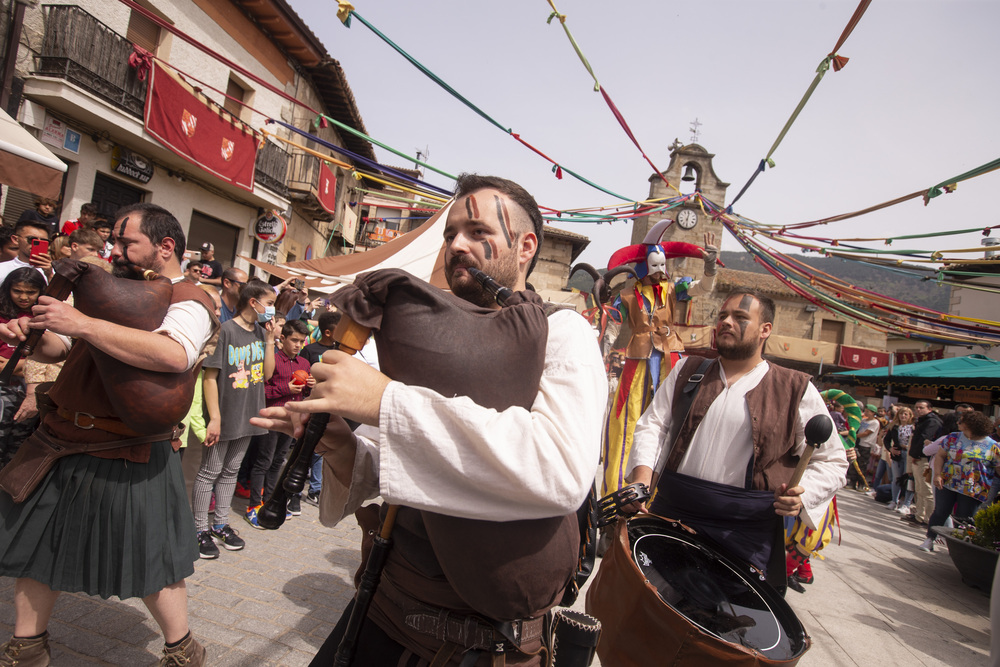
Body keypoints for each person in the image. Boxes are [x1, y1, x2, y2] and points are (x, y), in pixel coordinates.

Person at [252, 174, 606, 666]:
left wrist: (387, 403)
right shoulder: (430, 325)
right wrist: (342, 446)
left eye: (478, 231)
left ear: (525, 247)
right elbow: (402, 467)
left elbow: (560, 470)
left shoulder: (565, 333)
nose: (456, 244)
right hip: (383, 611)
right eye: (449, 233)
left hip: (486, 646)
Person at [0, 202, 218, 666]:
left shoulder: (190, 299)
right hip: (61, 441)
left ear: (165, 247)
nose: (114, 250)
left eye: (127, 242)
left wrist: (81, 322)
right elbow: (65, 349)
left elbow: (173, 355)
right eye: (114, 240)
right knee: (36, 548)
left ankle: (182, 651)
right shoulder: (111, 290)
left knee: (149, 559)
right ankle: (27, 648)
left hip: (128, 449)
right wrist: (40, 334)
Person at [626, 289, 847, 589]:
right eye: (722, 317)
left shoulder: (795, 388)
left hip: (744, 534)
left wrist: (803, 494)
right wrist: (640, 484)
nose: (726, 322)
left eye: (740, 317)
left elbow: (832, 461)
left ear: (765, 330)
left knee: (724, 625)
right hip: (671, 515)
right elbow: (654, 425)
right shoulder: (687, 370)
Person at [600, 231, 718, 497]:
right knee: (626, 421)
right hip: (638, 361)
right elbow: (612, 326)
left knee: (670, 421)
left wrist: (709, 265)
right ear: (642, 267)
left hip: (670, 358)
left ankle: (660, 496)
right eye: (654, 265)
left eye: (662, 265)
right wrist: (601, 355)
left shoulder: (674, 288)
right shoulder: (628, 295)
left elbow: (703, 287)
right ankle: (618, 494)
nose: (660, 270)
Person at [192, 279, 276, 559]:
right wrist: (214, 417)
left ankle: (220, 523)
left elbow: (265, 375)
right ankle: (199, 529)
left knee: (230, 471)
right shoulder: (225, 331)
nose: (272, 310)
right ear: (254, 302)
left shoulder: (259, 333)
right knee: (209, 471)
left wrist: (271, 340)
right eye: (270, 303)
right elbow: (210, 377)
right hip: (225, 414)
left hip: (249, 414)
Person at [244, 319, 313, 527]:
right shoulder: (272, 359)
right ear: (282, 338)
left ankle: (270, 501)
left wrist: (311, 386)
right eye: (294, 340)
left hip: (292, 420)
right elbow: (259, 390)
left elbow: (306, 395)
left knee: (279, 462)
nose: (298, 345)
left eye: (301, 341)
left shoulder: (304, 363)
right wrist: (285, 389)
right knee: (263, 461)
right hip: (272, 419)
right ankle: (253, 506)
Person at [920, 411, 999, 552]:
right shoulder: (953, 438)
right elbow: (940, 456)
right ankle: (930, 539)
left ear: (972, 425)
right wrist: (937, 475)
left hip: (973, 488)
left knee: (964, 519)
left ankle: (958, 548)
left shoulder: (992, 446)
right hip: (948, 482)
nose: (958, 423)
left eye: (961, 421)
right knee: (940, 512)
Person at [0, 268, 45, 467]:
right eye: (18, 291)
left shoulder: (45, 317)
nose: (24, 297)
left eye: (31, 292)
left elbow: (54, 359)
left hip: (31, 388)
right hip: (4, 388)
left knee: (19, 443)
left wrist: (21, 366)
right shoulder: (2, 314)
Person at [905, 400, 943, 525]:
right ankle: (919, 515)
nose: (918, 410)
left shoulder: (932, 421)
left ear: (929, 409)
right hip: (917, 458)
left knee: (927, 491)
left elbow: (925, 439)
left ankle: (928, 519)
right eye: (916, 407)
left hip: (924, 459)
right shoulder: (921, 421)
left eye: (921, 407)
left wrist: (917, 454)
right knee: (919, 489)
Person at [883, 406, 915, 510]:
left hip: (909, 454)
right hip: (897, 454)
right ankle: (894, 500)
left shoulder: (913, 427)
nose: (903, 416)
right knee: (896, 479)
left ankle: (906, 503)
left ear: (910, 416)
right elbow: (886, 440)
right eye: (901, 414)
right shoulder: (894, 426)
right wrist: (890, 449)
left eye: (906, 414)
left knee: (908, 479)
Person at [0, 220, 51, 285]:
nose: (36, 244)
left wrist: (50, 275)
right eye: (31, 239)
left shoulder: (53, 272)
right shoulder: (2, 269)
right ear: (16, 239)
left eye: (43, 241)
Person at [850, 404, 880, 490]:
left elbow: (866, 433)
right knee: (854, 462)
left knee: (862, 465)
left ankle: (861, 483)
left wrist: (855, 435)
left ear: (873, 413)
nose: (866, 412)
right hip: (858, 443)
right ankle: (852, 481)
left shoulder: (875, 422)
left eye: (868, 411)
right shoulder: (864, 420)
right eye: (865, 410)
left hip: (866, 445)